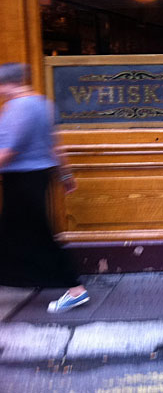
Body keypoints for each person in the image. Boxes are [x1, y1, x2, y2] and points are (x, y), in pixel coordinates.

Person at [0, 63, 89, 313]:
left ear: (7, 83)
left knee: (38, 235)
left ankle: (76, 290)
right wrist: (65, 175)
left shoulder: (19, 108)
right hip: (36, 177)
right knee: (14, 234)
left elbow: (9, 150)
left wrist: (65, 175)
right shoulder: (41, 104)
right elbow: (55, 144)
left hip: (22, 180)